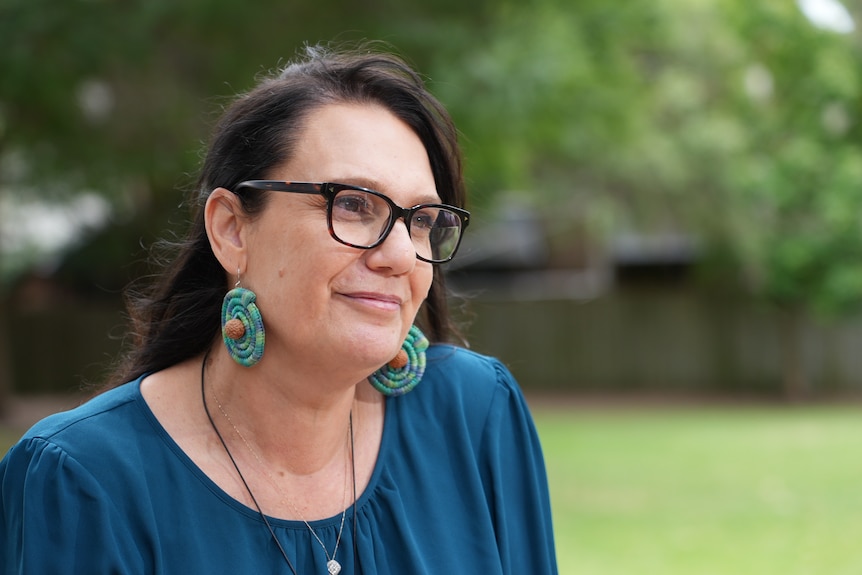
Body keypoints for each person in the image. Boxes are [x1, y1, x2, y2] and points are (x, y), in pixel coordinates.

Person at [0, 43, 558, 574]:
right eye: (354, 205)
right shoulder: (82, 479)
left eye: (421, 220)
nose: (398, 256)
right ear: (232, 231)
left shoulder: (475, 414)